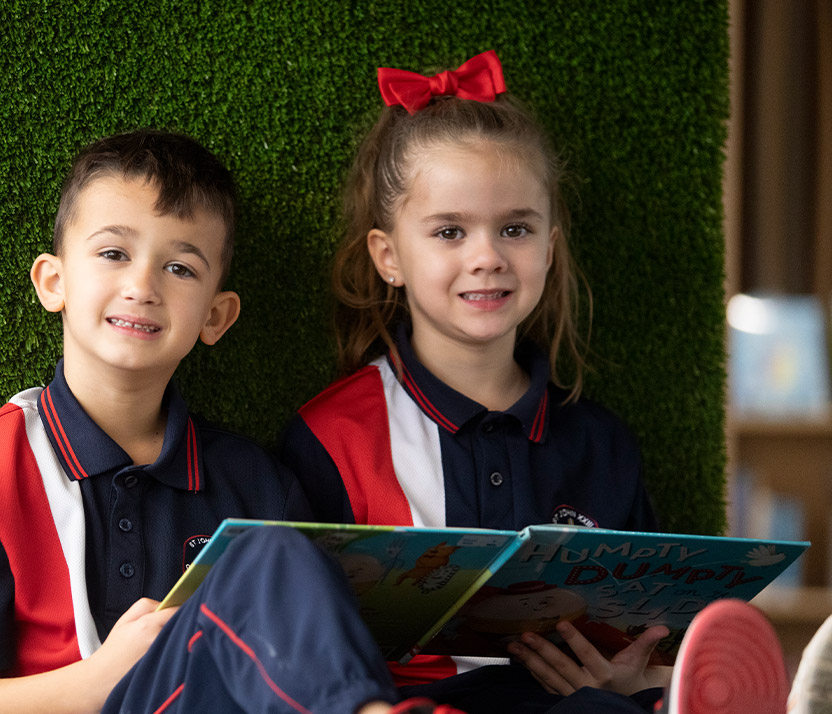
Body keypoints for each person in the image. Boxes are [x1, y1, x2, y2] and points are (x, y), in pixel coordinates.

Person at [278, 50, 790, 714]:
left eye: (515, 229)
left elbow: (644, 634)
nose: (487, 257)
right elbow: (297, 647)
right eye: (450, 231)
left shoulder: (600, 445)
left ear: (549, 247)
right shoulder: (330, 439)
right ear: (388, 256)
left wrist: (635, 681)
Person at [0, 128, 443, 714]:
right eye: (113, 254)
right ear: (53, 282)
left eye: (180, 268)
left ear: (216, 315)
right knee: (270, 554)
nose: (142, 287)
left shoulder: (259, 483)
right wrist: (101, 678)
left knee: (275, 551)